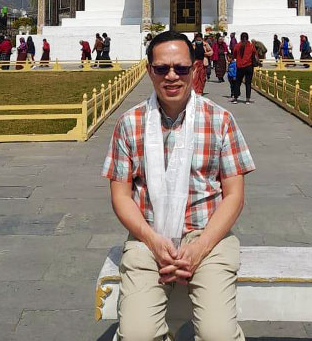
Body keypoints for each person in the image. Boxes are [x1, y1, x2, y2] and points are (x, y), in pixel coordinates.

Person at [102, 30, 255, 341]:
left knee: (218, 335)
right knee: (136, 335)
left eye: (181, 68)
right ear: (149, 71)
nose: (171, 76)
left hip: (208, 236)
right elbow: (121, 196)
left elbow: (234, 195)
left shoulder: (220, 120)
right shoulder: (130, 124)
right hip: (148, 236)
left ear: (195, 69)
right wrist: (152, 240)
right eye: (162, 69)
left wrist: (200, 247)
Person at [232, 31, 257, 104]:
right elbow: (255, 54)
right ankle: (247, 99)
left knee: (238, 82)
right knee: (248, 83)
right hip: (249, 66)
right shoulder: (251, 45)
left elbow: (234, 55)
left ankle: (236, 98)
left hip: (240, 66)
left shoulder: (237, 45)